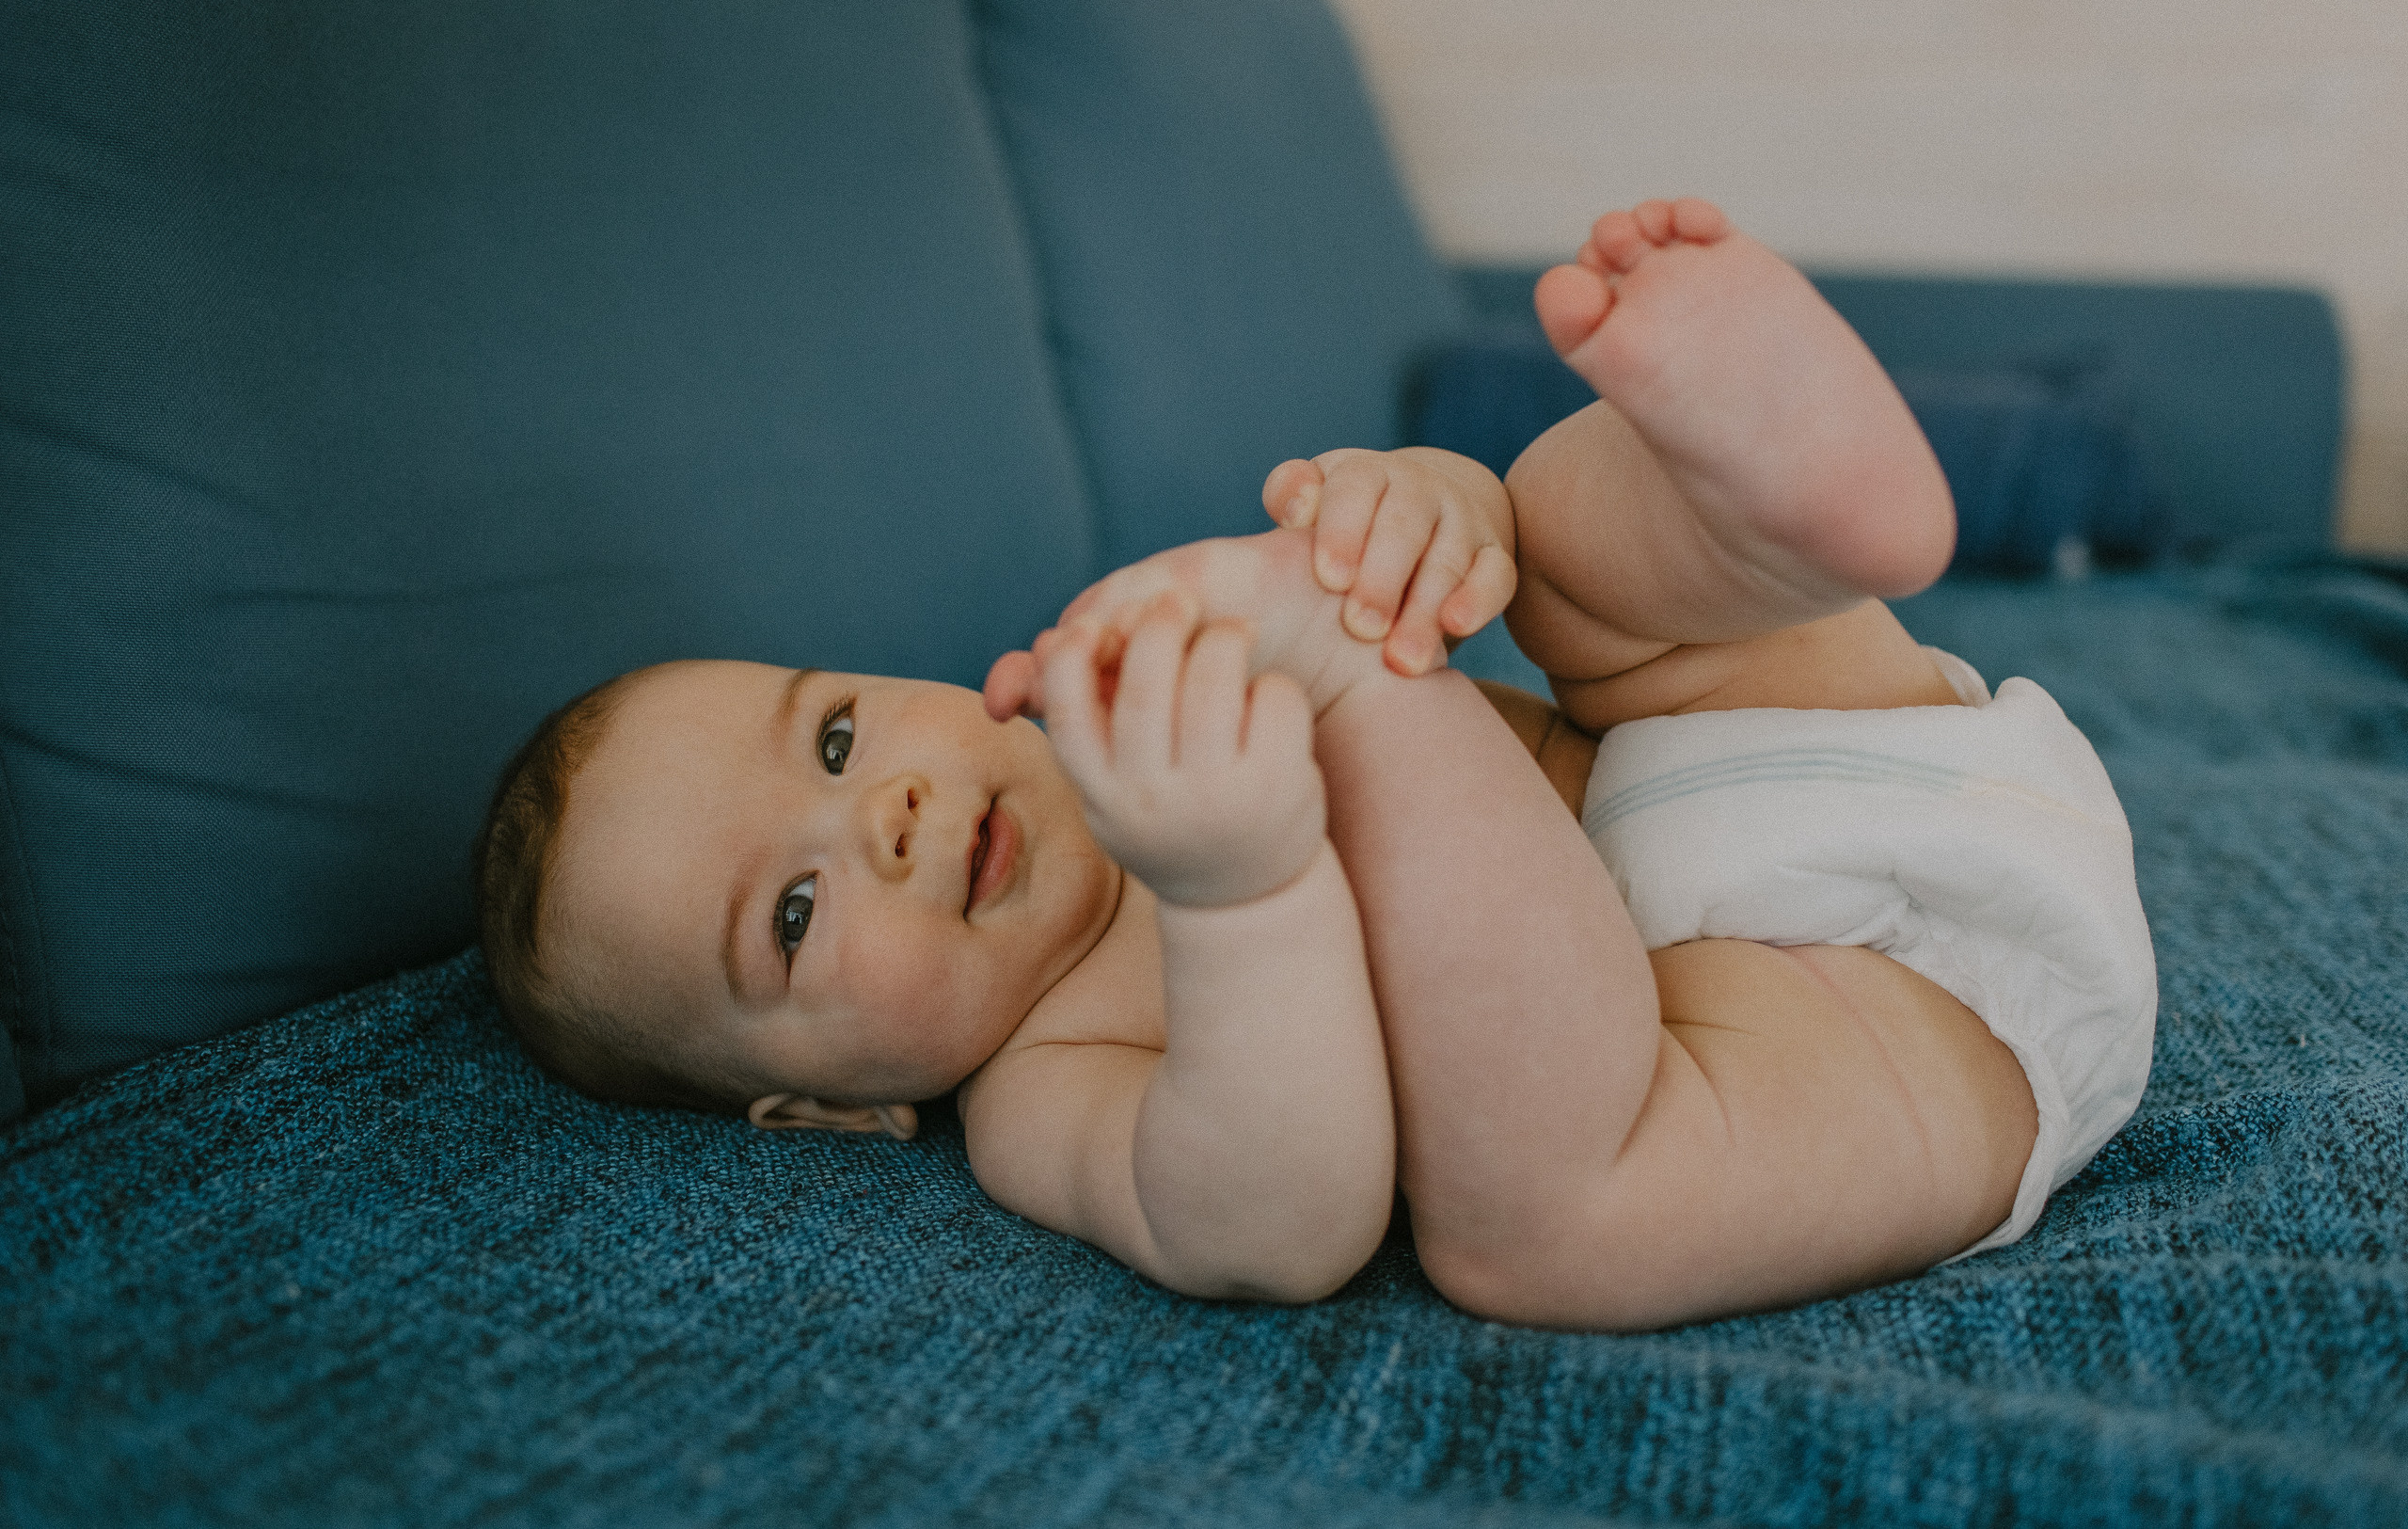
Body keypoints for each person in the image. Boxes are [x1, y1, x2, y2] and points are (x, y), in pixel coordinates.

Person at [474, 199, 2156, 1330]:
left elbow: (1453, 580)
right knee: (1544, 1229)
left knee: (1557, 573)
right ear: (823, 1110)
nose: (883, 816)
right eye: (787, 913)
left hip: (1774, 739)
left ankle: (1769, 516)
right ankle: (1703, 559)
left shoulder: (1139, 665)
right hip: (1866, 1017)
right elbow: (1281, 1226)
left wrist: (1415, 511)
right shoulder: (1044, 1094)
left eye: (836, 737)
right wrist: (1238, 888)